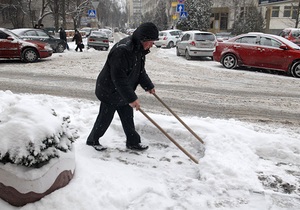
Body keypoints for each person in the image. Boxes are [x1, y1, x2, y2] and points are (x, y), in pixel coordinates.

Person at [86, 22, 159, 151]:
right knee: (104, 119)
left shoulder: (139, 50)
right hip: (109, 91)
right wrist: (131, 98)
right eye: (151, 42)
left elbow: (140, 71)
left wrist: (148, 86)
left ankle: (133, 142)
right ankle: (92, 141)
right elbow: (118, 78)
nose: (152, 45)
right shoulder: (123, 50)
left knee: (128, 118)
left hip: (124, 91)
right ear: (143, 39)